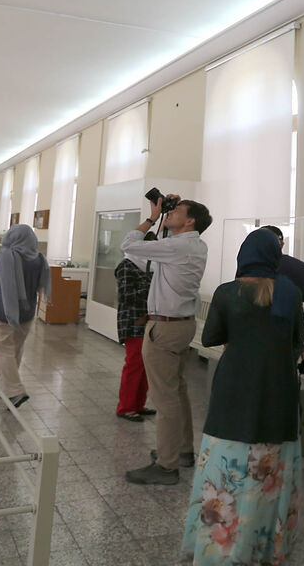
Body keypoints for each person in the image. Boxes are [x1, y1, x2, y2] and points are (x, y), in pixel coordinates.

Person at [183, 228, 304, 564]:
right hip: (278, 388)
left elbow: (210, 337)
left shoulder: (227, 293)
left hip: (235, 387)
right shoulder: (290, 293)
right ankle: (264, 543)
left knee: (225, 462)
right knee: (272, 466)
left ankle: (220, 545)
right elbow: (297, 340)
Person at [121, 194, 212, 485]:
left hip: (165, 328)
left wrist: (152, 217)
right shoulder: (192, 245)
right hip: (181, 326)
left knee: (165, 397)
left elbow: (128, 244)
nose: (170, 213)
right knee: (177, 390)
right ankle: (182, 451)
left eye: (177, 211)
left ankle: (166, 464)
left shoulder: (178, 246)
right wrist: (164, 217)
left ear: (190, 220)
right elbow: (147, 255)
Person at [0, 224, 51, 408]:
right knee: (15, 350)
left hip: (4, 312)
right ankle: (4, 387)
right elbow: (40, 285)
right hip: (27, 313)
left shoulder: (5, 256)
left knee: (3, 350)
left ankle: (15, 391)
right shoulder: (39, 259)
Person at [263, 225, 304, 362]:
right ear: (282, 244)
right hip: (291, 337)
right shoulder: (300, 268)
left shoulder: (250, 268)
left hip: (256, 337)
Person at [115, 231, 158, 422]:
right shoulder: (126, 265)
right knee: (134, 364)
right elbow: (126, 296)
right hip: (133, 321)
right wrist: (152, 289)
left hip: (149, 321)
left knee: (145, 364)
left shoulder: (151, 266)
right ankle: (126, 407)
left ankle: (138, 404)